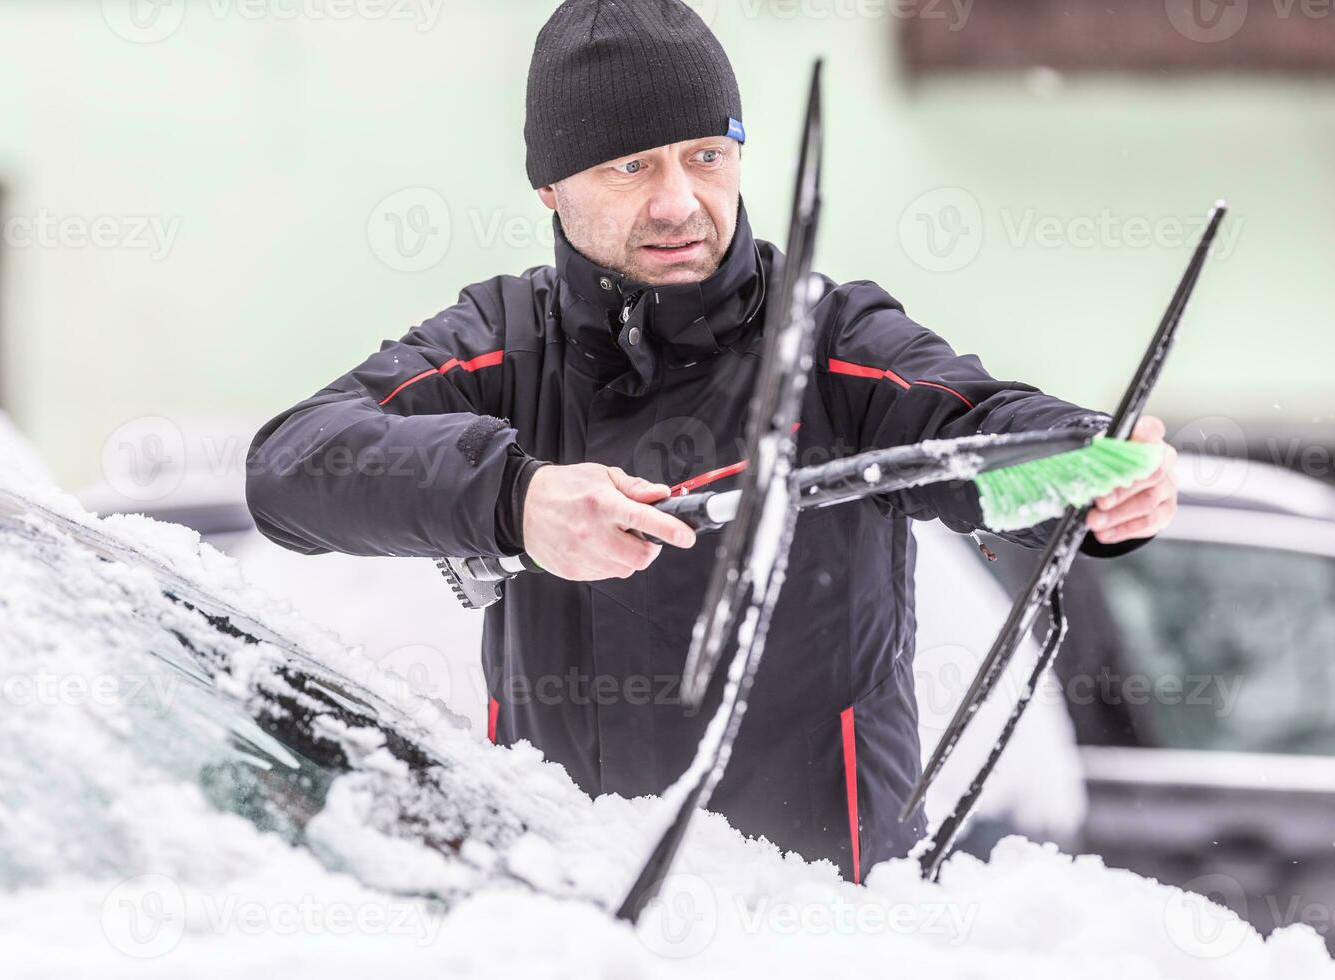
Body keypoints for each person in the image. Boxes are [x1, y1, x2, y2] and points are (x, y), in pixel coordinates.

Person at [246, 0, 1178, 882]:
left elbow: (978, 436)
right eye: (631, 167)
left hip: (832, 922)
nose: (679, 202)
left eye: (706, 155)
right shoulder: (506, 344)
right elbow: (291, 464)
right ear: (550, 187)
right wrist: (513, 500)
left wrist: (1092, 483)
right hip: (582, 917)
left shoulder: (828, 344)